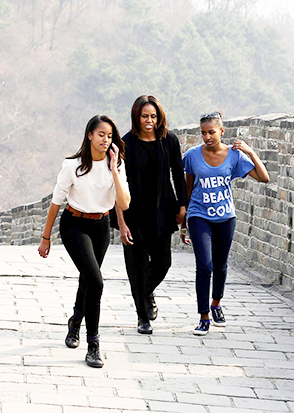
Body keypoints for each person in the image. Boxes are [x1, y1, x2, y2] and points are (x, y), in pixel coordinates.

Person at [38, 115, 130, 368]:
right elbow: (56, 203)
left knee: (88, 279)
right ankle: (94, 345)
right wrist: (46, 238)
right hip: (75, 225)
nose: (105, 140)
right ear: (89, 135)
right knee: (96, 281)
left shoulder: (117, 164)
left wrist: (114, 170)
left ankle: (76, 321)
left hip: (101, 226)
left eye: (110, 136)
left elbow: (124, 203)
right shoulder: (72, 166)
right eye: (101, 134)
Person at [181, 111, 269, 336]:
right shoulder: (192, 155)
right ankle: (203, 317)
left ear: (222, 131)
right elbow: (188, 189)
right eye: (203, 133)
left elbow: (263, 177)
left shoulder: (234, 155)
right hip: (199, 215)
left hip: (225, 217)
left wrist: (249, 151)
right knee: (205, 266)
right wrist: (183, 221)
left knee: (220, 265)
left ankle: (216, 303)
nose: (207, 137)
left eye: (212, 132)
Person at [115, 95, 187, 335]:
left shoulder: (169, 141)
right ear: (136, 116)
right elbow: (117, 184)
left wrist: (182, 206)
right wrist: (121, 221)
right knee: (136, 266)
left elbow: (178, 173)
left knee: (163, 262)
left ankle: (146, 293)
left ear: (159, 117)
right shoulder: (125, 144)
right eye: (145, 116)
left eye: (153, 116)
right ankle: (142, 317)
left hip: (162, 210)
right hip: (133, 212)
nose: (149, 120)